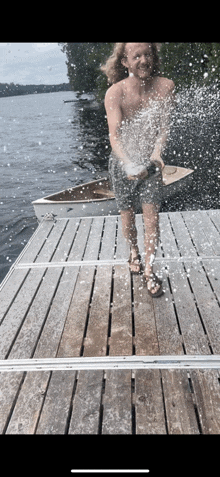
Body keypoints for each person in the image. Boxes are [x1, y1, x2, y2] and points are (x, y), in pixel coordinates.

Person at [101, 43, 175, 297]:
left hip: (151, 163)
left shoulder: (166, 86)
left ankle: (149, 270)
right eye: (137, 56)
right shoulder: (115, 93)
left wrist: (156, 153)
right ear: (125, 62)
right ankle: (133, 251)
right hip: (123, 164)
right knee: (127, 217)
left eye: (148, 54)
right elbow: (115, 136)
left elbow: (163, 127)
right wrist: (130, 164)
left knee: (152, 218)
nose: (144, 60)